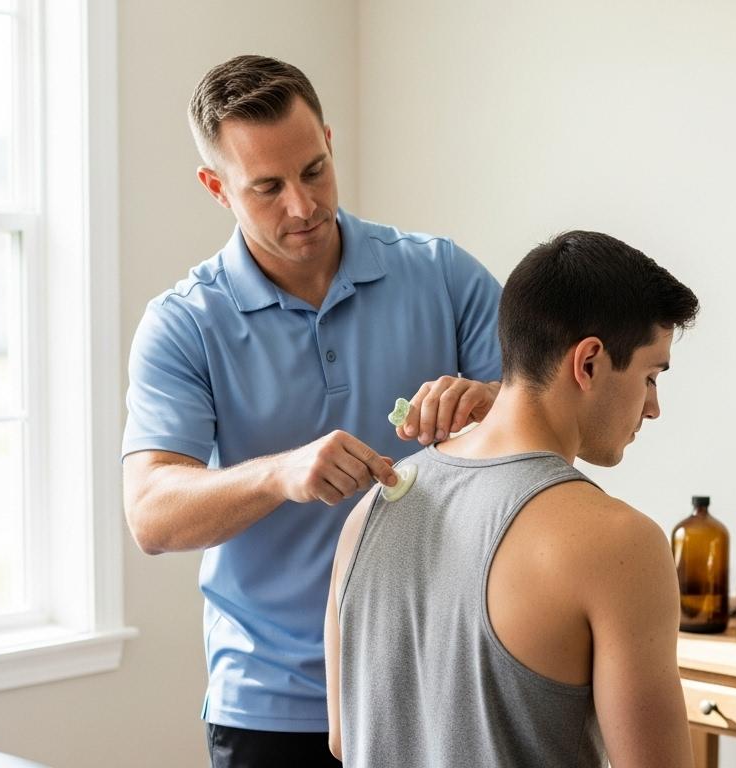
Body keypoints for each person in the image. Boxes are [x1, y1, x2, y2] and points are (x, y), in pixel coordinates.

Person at [121, 55, 504, 767]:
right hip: (272, 708)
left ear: (328, 141)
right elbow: (150, 514)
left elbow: (555, 413)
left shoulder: (443, 273)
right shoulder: (183, 324)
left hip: (442, 681)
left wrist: (492, 402)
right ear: (217, 188)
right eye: (266, 187)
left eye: (314, 170)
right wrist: (280, 475)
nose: (302, 206)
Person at [324, 231, 700, 767]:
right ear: (588, 362)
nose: (653, 407)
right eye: (650, 376)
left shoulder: (371, 510)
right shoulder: (620, 545)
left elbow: (345, 736)